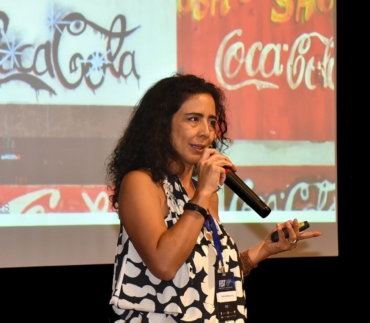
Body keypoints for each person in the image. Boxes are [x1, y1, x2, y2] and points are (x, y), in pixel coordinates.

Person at [107, 74, 322, 322]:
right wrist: (203, 192)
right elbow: (164, 265)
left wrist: (263, 250)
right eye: (193, 119)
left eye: (211, 122)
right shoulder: (142, 183)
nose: (206, 133)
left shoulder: (205, 195)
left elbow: (207, 275)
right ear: (162, 125)